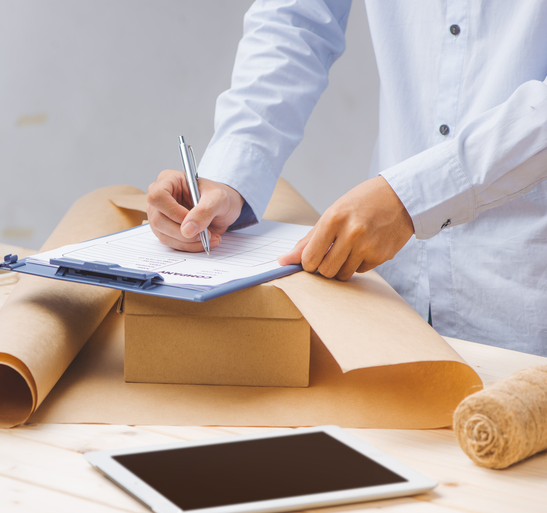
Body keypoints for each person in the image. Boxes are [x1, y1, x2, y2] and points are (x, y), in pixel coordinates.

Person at [147, 0, 547, 357]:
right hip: (394, 293)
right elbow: (296, 16)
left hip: (526, 295)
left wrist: (414, 198)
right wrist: (232, 172)